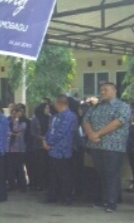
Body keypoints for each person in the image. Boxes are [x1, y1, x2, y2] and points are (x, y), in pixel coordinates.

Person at [83, 82, 131, 212]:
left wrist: (97, 133)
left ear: (115, 91)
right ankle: (103, 199)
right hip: (96, 144)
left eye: (106, 90)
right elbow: (86, 120)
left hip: (113, 146)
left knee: (111, 173)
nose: (102, 92)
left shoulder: (122, 106)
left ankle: (111, 201)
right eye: (101, 90)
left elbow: (117, 123)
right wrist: (91, 134)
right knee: (100, 173)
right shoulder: (96, 106)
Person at [43, 95, 77, 205]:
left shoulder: (70, 116)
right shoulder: (55, 116)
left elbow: (61, 132)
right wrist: (45, 140)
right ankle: (52, 196)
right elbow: (50, 130)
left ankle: (66, 197)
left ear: (59, 103)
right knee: (53, 175)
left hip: (63, 150)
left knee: (64, 175)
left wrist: (50, 142)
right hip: (52, 150)